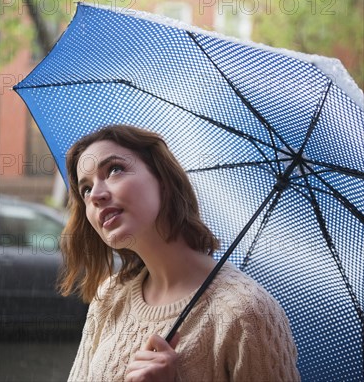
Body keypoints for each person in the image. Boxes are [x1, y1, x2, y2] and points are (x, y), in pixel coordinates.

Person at [59, 124, 300, 382]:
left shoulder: (247, 313)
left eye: (115, 170)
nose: (95, 195)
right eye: (85, 189)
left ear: (163, 180)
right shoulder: (109, 295)